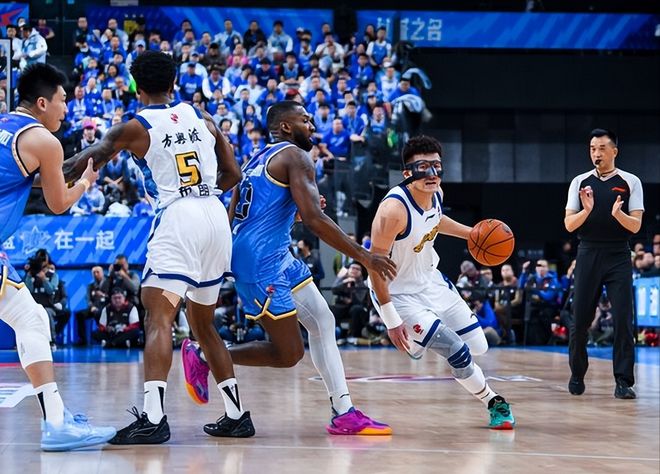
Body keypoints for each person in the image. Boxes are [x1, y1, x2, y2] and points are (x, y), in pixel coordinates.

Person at [63, 51, 248, 443]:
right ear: (174, 82)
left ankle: (153, 418)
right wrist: (203, 195)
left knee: (158, 318)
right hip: (215, 216)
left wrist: (39, 171)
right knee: (203, 324)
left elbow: (86, 161)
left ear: (137, 87)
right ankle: (236, 415)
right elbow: (233, 173)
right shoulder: (203, 117)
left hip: (179, 215)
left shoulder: (136, 126)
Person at [182, 100, 397, 435]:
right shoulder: (296, 156)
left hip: (274, 254)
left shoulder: (256, 158)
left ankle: (344, 412)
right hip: (262, 263)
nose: (312, 125)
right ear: (285, 126)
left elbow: (240, 214)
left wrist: (290, 213)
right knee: (288, 354)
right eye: (305, 119)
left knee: (323, 321)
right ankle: (206, 354)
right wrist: (364, 256)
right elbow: (315, 220)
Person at [0, 63, 115, 450]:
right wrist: (84, 182)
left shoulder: (4, 125)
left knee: (30, 317)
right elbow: (59, 203)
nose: (67, 109)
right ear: (42, 102)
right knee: (31, 319)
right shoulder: (43, 142)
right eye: (63, 100)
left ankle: (57, 417)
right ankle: (56, 423)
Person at [367, 135, 515, 429]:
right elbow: (374, 265)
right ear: (407, 173)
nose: (432, 173)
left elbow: (435, 220)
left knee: (480, 346)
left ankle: (419, 340)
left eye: (436, 165)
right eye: (423, 167)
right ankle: (494, 402)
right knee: (456, 350)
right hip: (398, 293)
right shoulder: (392, 211)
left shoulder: (436, 194)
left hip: (431, 282)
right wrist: (391, 319)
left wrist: (473, 234)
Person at [564, 128, 644, 399]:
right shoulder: (579, 182)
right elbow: (569, 224)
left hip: (619, 255)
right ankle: (577, 374)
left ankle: (623, 381)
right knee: (580, 320)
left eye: (601, 148)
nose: (596, 153)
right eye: (592, 148)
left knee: (623, 319)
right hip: (588, 252)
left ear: (614, 151)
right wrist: (587, 210)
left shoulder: (631, 181)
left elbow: (635, 226)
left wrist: (618, 215)